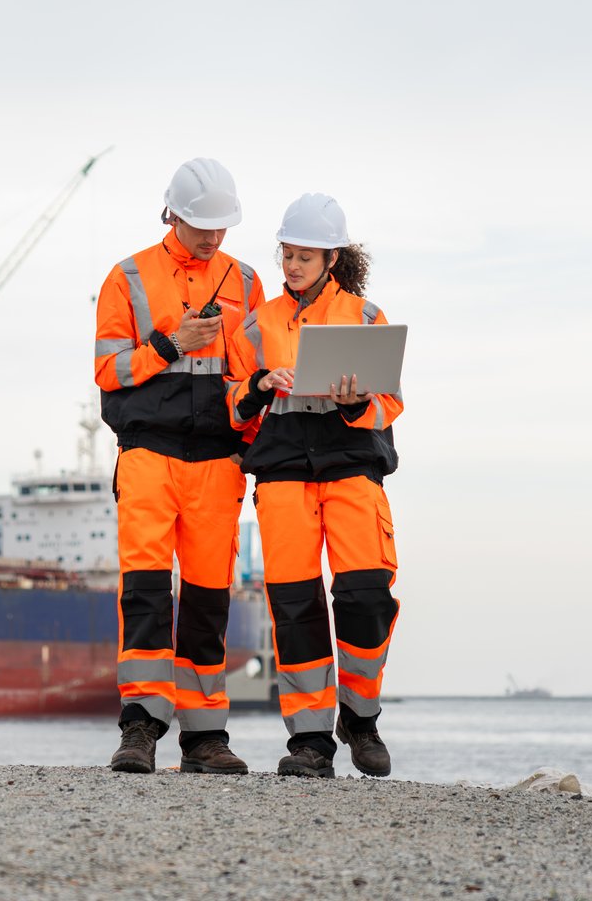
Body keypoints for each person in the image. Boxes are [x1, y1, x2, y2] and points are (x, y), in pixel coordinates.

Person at [93, 157, 266, 774]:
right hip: (147, 454)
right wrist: (172, 344)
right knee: (143, 590)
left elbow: (251, 374)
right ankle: (140, 727)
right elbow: (108, 371)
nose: (213, 237)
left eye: (221, 227)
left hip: (218, 462)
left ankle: (205, 737)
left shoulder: (245, 281)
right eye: (202, 226)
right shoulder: (129, 277)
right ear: (172, 214)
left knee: (207, 598)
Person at [226, 192, 403, 778]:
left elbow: (391, 403)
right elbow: (236, 407)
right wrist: (255, 385)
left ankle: (360, 716)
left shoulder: (365, 316)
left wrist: (356, 403)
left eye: (305, 256)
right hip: (283, 479)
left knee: (367, 598)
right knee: (295, 608)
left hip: (352, 471)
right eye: (288, 254)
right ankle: (309, 743)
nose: (293, 266)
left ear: (332, 258)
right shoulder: (260, 324)